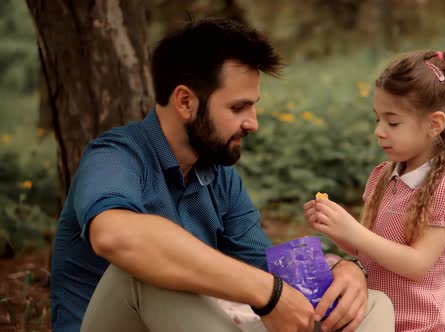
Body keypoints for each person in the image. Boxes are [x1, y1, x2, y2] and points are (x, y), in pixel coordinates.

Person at [49, 17, 394, 332]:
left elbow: (271, 268)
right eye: (238, 107)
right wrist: (267, 293)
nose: (253, 122)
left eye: (253, 105)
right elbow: (116, 237)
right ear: (185, 102)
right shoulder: (114, 156)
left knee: (370, 306)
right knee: (142, 267)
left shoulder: (217, 176)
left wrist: (347, 271)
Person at [304, 50, 445, 331]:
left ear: (434, 124)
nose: (379, 130)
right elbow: (366, 250)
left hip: (419, 325)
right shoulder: (382, 175)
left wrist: (354, 231)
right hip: (373, 319)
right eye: (377, 119)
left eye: (393, 122)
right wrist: (334, 227)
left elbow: (417, 264)